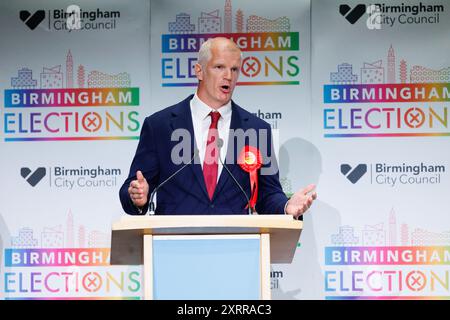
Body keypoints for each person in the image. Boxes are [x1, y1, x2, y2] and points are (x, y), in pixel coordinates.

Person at [119, 37, 316, 219]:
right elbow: (132, 187)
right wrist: (137, 196)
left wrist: (286, 206)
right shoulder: (159, 126)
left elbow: (268, 194)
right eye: (219, 67)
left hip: (236, 247)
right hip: (174, 246)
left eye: (234, 69)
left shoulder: (257, 130)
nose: (228, 76)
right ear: (199, 71)